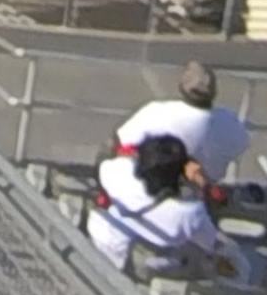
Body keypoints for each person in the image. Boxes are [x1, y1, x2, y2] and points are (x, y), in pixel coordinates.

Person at [87, 134, 238, 278]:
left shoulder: (115, 170)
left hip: (104, 243)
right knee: (222, 254)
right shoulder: (189, 213)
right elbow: (212, 244)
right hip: (143, 267)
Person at [114, 61, 252, 186]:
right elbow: (240, 146)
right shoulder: (228, 120)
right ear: (214, 91)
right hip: (205, 193)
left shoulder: (156, 111)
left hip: (155, 190)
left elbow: (120, 142)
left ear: (182, 86)